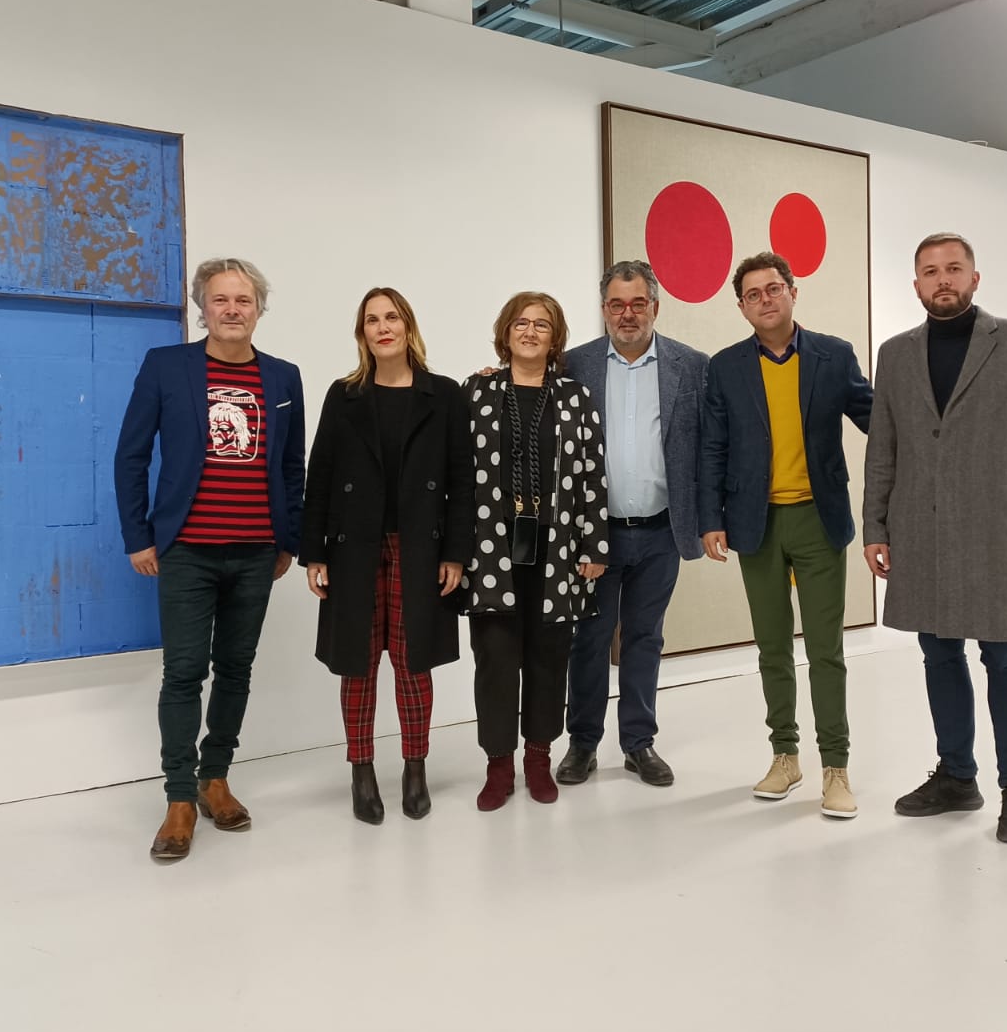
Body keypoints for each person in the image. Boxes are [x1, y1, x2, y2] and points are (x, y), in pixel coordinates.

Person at [863, 233, 1007, 845]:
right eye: (930, 271)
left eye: (954, 269)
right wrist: (875, 525)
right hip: (920, 532)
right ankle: (955, 775)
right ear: (915, 284)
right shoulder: (895, 355)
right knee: (938, 653)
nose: (942, 279)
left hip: (995, 532)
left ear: (975, 279)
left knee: (1006, 657)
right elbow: (883, 449)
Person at [114, 257, 304, 862]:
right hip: (186, 550)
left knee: (238, 669)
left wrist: (289, 540)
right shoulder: (167, 367)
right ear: (203, 307)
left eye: (242, 301)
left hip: (256, 551)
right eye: (219, 300)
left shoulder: (282, 378)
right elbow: (132, 457)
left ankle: (215, 777)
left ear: (258, 308)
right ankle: (177, 798)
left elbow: (292, 467)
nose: (231, 310)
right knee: (183, 671)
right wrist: (139, 538)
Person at [699, 252, 873, 818]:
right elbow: (712, 448)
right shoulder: (724, 368)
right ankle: (785, 756)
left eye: (774, 288)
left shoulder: (834, 355)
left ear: (793, 292)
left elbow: (879, 418)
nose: (766, 299)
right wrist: (710, 517)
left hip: (819, 521)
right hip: (757, 524)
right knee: (772, 647)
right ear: (741, 305)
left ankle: (836, 767)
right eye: (753, 293)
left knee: (827, 651)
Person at [300, 288, 474, 825]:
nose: (382, 327)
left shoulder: (443, 394)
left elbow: (462, 481)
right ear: (362, 333)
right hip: (355, 549)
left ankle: (415, 768)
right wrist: (313, 553)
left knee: (412, 663)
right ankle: (361, 770)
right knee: (358, 667)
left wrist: (456, 552)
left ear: (408, 326)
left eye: (391, 317)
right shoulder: (344, 394)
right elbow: (321, 475)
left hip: (420, 549)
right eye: (371, 320)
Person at [556, 260, 707, 789]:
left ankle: (638, 743)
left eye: (638, 303)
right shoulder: (571, 366)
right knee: (590, 638)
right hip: (596, 534)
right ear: (602, 310)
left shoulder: (692, 366)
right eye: (617, 304)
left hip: (663, 530)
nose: (627, 313)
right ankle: (582, 742)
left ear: (655, 308)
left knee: (646, 637)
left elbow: (708, 449)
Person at [462, 292, 609, 811]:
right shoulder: (476, 392)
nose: (529, 332)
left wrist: (595, 543)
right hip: (490, 553)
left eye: (541, 325)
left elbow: (593, 475)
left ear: (555, 338)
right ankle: (498, 765)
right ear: (505, 333)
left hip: (559, 552)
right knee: (495, 661)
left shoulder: (576, 397)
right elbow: (458, 479)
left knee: (549, 660)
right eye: (520, 324)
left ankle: (539, 759)